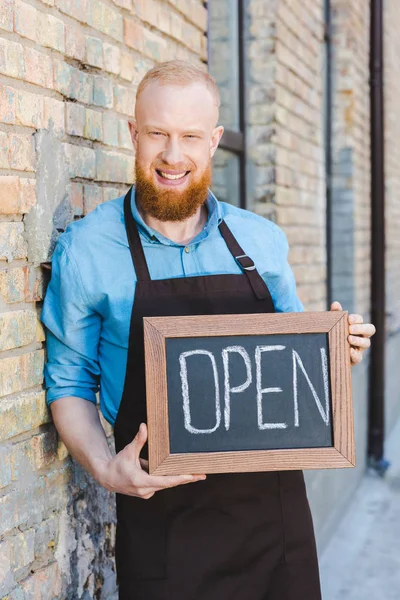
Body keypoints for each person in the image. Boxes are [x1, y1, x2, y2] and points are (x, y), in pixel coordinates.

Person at [42, 60, 376, 600]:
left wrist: (337, 352)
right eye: (158, 134)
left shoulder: (262, 242)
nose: (173, 156)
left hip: (275, 523)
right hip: (162, 524)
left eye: (190, 136)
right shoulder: (85, 251)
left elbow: (293, 363)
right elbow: (69, 383)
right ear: (133, 133)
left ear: (215, 140)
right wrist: (105, 468)